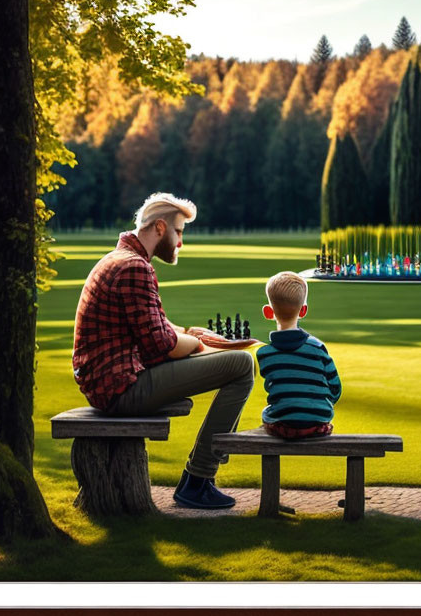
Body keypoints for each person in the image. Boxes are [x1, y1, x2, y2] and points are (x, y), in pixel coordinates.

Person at [72, 192, 254, 509]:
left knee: (234, 360)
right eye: (179, 231)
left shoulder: (122, 259)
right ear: (160, 227)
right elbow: (163, 346)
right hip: (120, 390)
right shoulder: (134, 268)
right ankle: (198, 480)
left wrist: (192, 334)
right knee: (241, 365)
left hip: (113, 382)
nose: (181, 242)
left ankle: (200, 477)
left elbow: (158, 326)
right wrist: (199, 344)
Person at [256, 271, 341, 439]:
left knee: (267, 412)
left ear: (268, 312)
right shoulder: (318, 348)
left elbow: (273, 390)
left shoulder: (265, 354)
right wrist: (316, 404)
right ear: (303, 310)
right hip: (318, 425)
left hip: (282, 426)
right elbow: (335, 388)